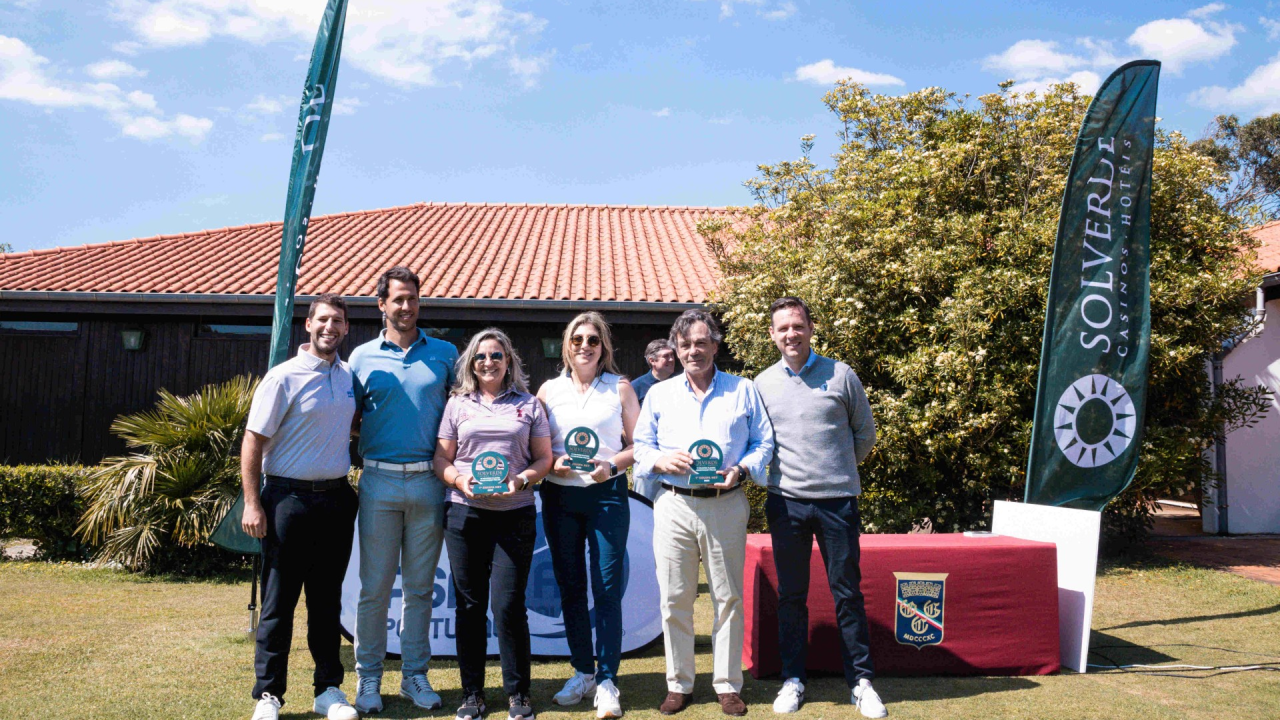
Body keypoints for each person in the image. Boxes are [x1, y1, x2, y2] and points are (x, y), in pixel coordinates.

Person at [633, 309, 774, 717]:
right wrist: (661, 461)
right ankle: (679, 684)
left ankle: (728, 685)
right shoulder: (659, 394)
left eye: (700, 342)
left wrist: (742, 468)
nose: (693, 350)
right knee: (675, 597)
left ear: (715, 344)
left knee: (727, 597)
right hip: (673, 503)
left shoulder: (743, 390)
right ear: (675, 349)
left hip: (725, 503)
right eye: (685, 344)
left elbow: (764, 442)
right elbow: (640, 446)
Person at [753, 297, 886, 718]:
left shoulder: (842, 375)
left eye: (797, 325)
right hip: (786, 503)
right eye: (782, 328)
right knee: (791, 595)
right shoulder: (761, 384)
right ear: (772, 335)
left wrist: (837, 472)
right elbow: (760, 442)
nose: (790, 334)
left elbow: (865, 434)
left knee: (847, 592)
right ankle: (793, 679)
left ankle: (861, 682)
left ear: (811, 328)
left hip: (838, 504)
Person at [240, 293, 359, 720]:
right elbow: (253, 440)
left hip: (336, 499)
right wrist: (253, 503)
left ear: (346, 329)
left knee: (327, 602)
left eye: (338, 321)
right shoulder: (283, 377)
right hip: (287, 499)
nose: (331, 327)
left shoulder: (347, 376)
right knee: (280, 601)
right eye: (323, 319)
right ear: (308, 325)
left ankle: (328, 689)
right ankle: (268, 695)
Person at [349, 267, 458, 714]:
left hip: (430, 483)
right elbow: (347, 418)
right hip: (378, 481)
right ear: (381, 304)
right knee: (374, 588)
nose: (406, 307)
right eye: (397, 299)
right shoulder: (360, 358)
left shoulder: (447, 354)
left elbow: (463, 415)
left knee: (418, 589)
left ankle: (414, 675)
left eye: (412, 298)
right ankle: (369, 681)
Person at [433, 328, 553, 720]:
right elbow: (441, 460)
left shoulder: (530, 405)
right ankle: (472, 695)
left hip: (514, 514)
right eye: (481, 356)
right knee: (469, 605)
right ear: (471, 362)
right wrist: (459, 479)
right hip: (464, 513)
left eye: (497, 355)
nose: (489, 362)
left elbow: (544, 460)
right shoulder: (456, 405)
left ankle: (518, 694)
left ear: (509, 361)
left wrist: (521, 479)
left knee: (508, 605)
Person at [536, 312, 641, 719]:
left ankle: (608, 679)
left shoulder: (619, 388)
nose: (584, 345)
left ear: (603, 347)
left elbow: (640, 443)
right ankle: (583, 671)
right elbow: (536, 445)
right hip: (561, 498)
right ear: (567, 345)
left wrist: (611, 467)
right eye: (577, 339)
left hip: (607, 498)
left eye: (592, 340)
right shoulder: (548, 390)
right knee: (570, 587)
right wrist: (552, 463)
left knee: (607, 588)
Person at [629, 338, 677, 405]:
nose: (671, 359)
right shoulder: (636, 387)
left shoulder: (680, 383)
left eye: (672, 355)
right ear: (652, 361)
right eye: (666, 356)